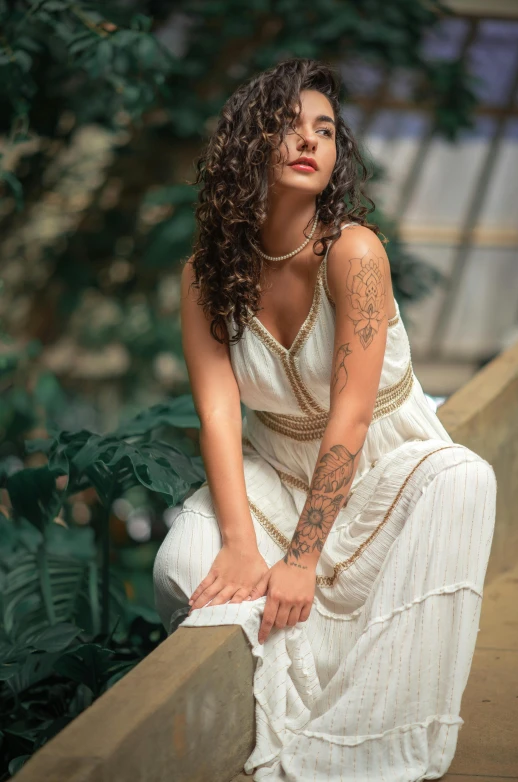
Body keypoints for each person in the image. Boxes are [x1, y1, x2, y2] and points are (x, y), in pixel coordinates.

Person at [153, 58, 497, 781]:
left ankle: (359, 741)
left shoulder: (355, 252)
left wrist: (302, 559)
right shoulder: (203, 276)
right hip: (275, 474)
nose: (311, 141)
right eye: (289, 125)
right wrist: (244, 547)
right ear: (250, 144)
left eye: (327, 130)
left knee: (466, 478)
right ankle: (300, 696)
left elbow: (352, 413)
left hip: (378, 476)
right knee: (185, 562)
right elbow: (219, 416)